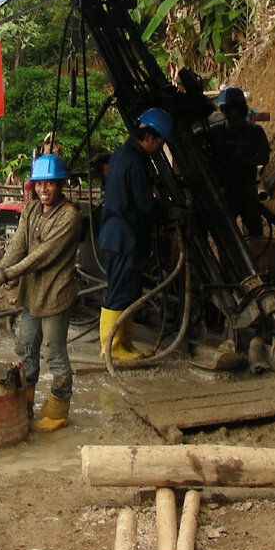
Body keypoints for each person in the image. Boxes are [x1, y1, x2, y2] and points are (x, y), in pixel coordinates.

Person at [0, 154, 81, 432]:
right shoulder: (32, 210)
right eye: (39, 184)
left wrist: (4, 276)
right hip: (31, 293)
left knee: (54, 352)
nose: (44, 190)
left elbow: (40, 257)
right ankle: (25, 404)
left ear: (61, 185)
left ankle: (58, 410)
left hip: (55, 293)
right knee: (26, 348)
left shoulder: (69, 217)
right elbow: (18, 247)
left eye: (50, 184)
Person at [97, 108, 174, 361]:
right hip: (124, 239)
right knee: (120, 292)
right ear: (149, 137)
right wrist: (169, 215)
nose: (159, 147)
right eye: (160, 142)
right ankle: (112, 348)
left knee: (127, 291)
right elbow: (145, 203)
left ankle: (125, 343)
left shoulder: (122, 154)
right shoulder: (135, 160)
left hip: (118, 237)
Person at [208, 87, 271, 236]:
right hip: (226, 191)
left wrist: (243, 161)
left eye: (228, 109)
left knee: (255, 230)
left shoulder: (255, 132)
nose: (225, 113)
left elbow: (264, 158)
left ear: (240, 108)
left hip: (247, 188)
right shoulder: (216, 131)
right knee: (226, 232)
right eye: (222, 109)